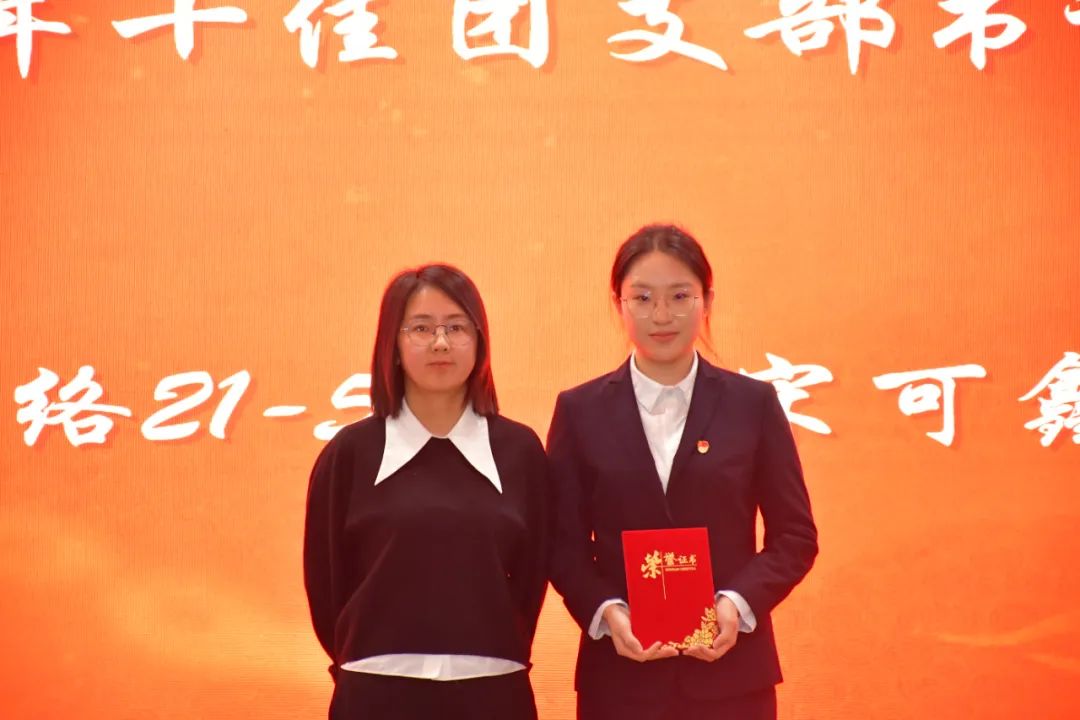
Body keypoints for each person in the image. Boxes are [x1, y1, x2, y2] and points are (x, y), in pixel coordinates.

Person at [547, 224, 818, 720]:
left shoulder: (752, 404)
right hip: (620, 683)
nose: (661, 315)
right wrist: (607, 612)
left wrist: (737, 603)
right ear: (618, 304)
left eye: (679, 296)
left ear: (707, 300)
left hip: (733, 681)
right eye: (642, 298)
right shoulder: (579, 411)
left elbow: (795, 536)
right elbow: (562, 545)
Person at [303, 264, 548, 720]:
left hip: (495, 692)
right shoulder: (349, 453)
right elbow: (326, 583)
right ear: (392, 345)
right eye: (420, 328)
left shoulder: (520, 451)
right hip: (374, 694)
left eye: (456, 327)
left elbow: (532, 579)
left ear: (480, 341)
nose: (440, 343)